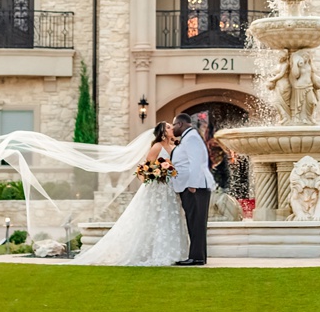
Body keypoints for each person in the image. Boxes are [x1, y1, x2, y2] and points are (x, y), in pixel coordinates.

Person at [74, 121, 190, 266]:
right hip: (157, 189)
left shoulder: (175, 146)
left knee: (171, 216)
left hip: (171, 188)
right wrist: (158, 172)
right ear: (163, 132)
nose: (171, 128)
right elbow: (146, 169)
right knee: (155, 218)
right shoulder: (157, 147)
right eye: (168, 127)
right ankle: (152, 252)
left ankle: (174, 252)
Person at [170, 111, 216, 265]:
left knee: (197, 222)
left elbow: (196, 163)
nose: (173, 129)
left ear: (180, 124)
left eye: (174, 125)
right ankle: (198, 256)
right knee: (194, 221)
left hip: (196, 187)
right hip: (192, 186)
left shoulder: (191, 138)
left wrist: (192, 185)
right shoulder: (189, 138)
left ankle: (196, 257)